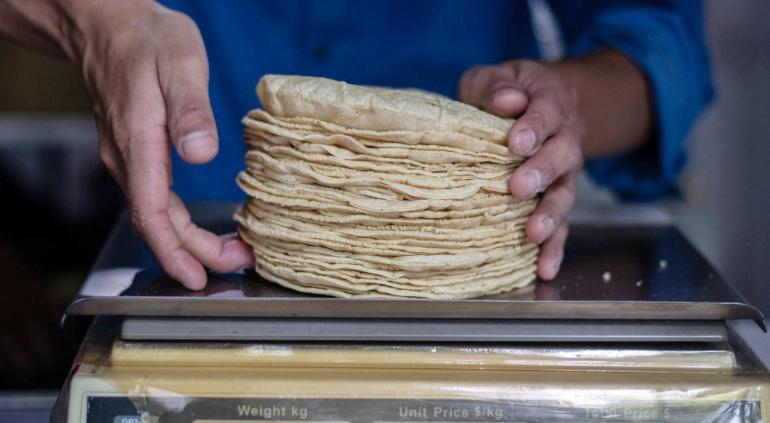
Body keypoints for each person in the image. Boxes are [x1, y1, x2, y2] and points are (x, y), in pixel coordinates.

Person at [0, 0, 711, 290]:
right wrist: (92, 17)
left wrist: (565, 105)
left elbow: (660, 41)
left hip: (475, 243)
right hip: (189, 256)